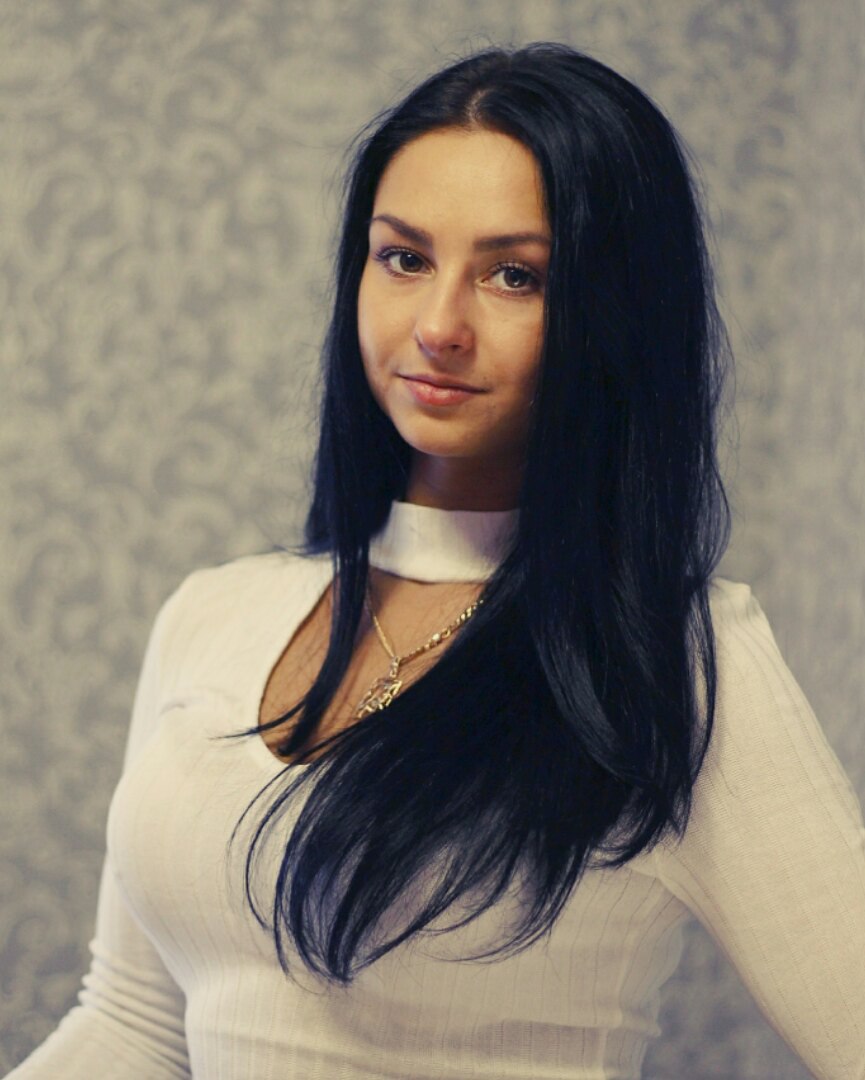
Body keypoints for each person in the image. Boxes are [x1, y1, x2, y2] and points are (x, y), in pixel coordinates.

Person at [7, 42, 864, 1080]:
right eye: (404, 258)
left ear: (614, 316)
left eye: (515, 275)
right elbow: (134, 1028)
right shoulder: (212, 614)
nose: (439, 326)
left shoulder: (679, 663)